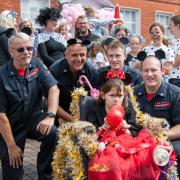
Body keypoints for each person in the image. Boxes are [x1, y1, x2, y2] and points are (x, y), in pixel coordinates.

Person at [0, 32, 60, 180]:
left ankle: (45, 174)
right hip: (10, 126)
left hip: (34, 119)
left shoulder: (36, 65)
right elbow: (1, 116)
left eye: (29, 48)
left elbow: (53, 89)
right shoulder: (1, 75)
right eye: (20, 49)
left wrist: (50, 116)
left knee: (52, 132)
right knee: (13, 173)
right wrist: (12, 146)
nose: (26, 52)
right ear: (11, 52)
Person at [134, 55, 180, 176]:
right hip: (138, 140)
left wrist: (158, 137)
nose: (149, 74)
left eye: (153, 70)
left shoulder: (175, 93)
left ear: (162, 71)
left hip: (166, 139)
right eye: (146, 70)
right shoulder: (132, 93)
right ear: (141, 72)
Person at [49, 38, 98, 123]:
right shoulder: (55, 70)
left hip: (86, 116)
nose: (79, 59)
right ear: (66, 56)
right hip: (61, 115)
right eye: (74, 55)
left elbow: (96, 98)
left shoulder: (91, 71)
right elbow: (48, 100)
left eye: (82, 55)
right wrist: (72, 120)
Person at [168, 15, 180, 87]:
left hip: (177, 78)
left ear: (178, 26)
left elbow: (176, 63)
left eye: (171, 25)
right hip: (171, 77)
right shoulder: (173, 41)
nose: (169, 28)